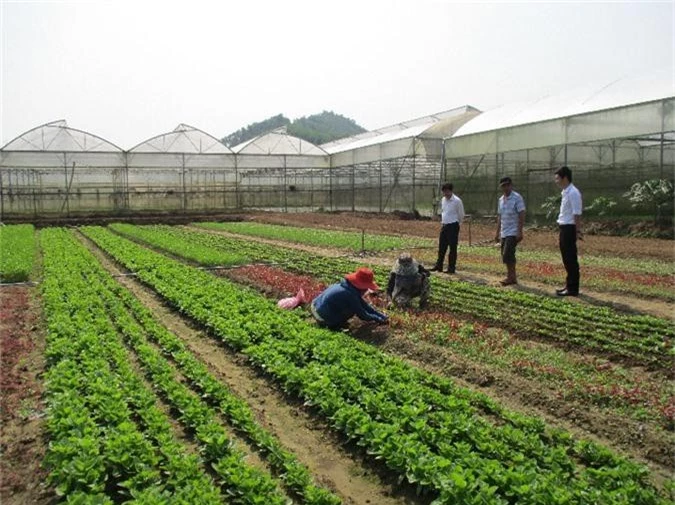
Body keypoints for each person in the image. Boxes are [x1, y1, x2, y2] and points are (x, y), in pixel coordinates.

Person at [310, 267, 389, 330]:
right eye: (366, 288)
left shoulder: (348, 286)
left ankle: (333, 320)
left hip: (315, 306)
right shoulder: (350, 295)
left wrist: (381, 316)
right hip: (321, 315)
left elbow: (365, 305)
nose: (366, 290)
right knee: (351, 310)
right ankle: (333, 325)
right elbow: (362, 315)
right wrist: (378, 319)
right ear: (361, 287)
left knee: (352, 306)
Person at [554, 166, 583, 296]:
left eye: (557, 178)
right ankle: (569, 285)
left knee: (570, 258)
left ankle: (573, 288)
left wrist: (577, 231)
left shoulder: (573, 193)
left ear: (565, 178)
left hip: (570, 228)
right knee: (566, 258)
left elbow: (576, 214)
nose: (556, 181)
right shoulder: (566, 192)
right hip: (564, 227)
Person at [494, 177, 526, 286]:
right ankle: (512, 277)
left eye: (507, 185)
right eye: (503, 186)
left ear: (511, 185)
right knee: (505, 254)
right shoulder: (501, 200)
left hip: (513, 231)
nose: (505, 187)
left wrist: (519, 231)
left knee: (508, 253)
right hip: (504, 231)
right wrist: (497, 232)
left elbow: (521, 214)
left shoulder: (517, 198)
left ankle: (511, 277)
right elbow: (500, 217)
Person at [431, 182, 465, 273]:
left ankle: (451, 268)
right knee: (442, 247)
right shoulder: (443, 200)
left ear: (451, 191)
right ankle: (439, 266)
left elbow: (461, 214)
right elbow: (443, 211)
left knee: (452, 248)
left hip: (453, 226)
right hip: (444, 225)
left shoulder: (457, 201)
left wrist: (457, 224)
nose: (445, 193)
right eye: (444, 191)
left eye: (447, 191)